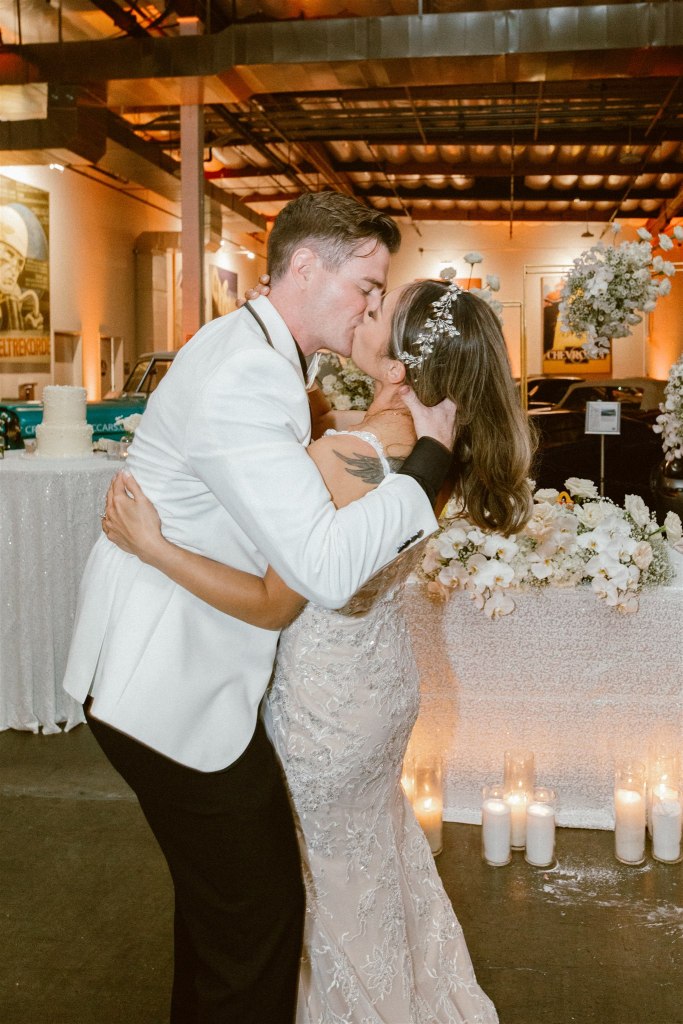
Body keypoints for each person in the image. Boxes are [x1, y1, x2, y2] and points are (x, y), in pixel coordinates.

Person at [62, 191, 457, 1024]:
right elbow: (322, 567)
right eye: (365, 286)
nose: (371, 308)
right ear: (305, 266)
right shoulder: (247, 372)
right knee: (258, 919)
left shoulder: (253, 350)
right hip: (165, 686)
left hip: (170, 670)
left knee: (228, 916)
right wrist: (429, 462)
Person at [101, 280, 534, 1023]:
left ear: (397, 367)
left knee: (314, 889)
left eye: (377, 310)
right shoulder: (431, 452)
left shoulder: (347, 457)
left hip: (320, 709)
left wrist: (154, 547)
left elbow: (273, 600)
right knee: (364, 871)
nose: (362, 311)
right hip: (379, 687)